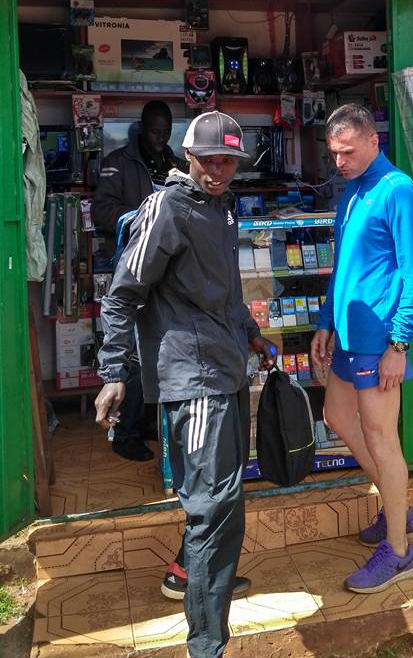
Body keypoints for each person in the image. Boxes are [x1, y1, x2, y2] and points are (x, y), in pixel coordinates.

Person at [95, 111, 275, 658]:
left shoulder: (223, 208)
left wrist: (252, 335)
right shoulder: (167, 208)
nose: (218, 171)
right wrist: (112, 372)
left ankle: (212, 587)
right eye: (209, 161)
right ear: (188, 157)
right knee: (210, 506)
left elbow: (225, 291)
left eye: (228, 162)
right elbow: (123, 294)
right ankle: (206, 643)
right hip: (192, 380)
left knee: (227, 500)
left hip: (226, 368)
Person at [311, 103, 413, 594]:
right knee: (337, 417)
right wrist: (325, 321)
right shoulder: (352, 192)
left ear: (373, 141)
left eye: (348, 152)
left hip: (379, 338)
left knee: (383, 439)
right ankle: (398, 508)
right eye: (334, 154)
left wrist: (399, 343)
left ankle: (399, 552)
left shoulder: (397, 190)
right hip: (347, 334)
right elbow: (343, 267)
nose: (340, 162)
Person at [92, 100, 186, 461]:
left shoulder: (175, 164)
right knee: (130, 353)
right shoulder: (118, 163)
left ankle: (147, 422)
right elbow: (101, 211)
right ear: (142, 129)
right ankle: (125, 433)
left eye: (166, 133)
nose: (161, 139)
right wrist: (144, 218)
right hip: (133, 266)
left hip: (169, 272)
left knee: (158, 350)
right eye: (155, 132)